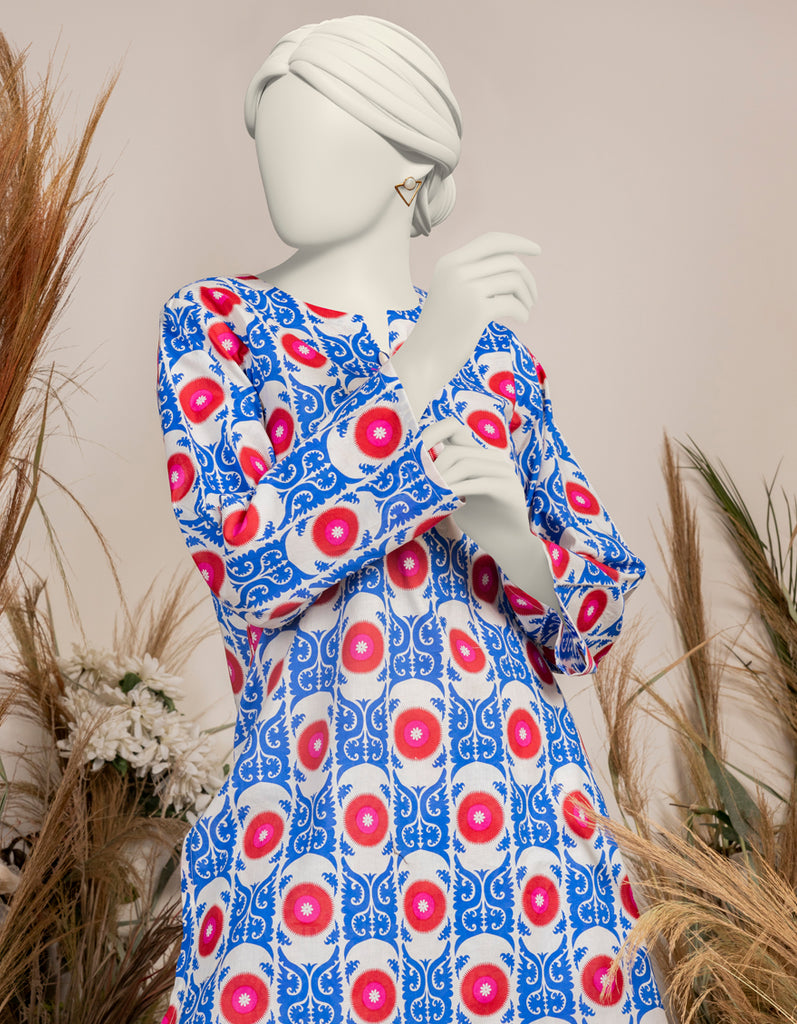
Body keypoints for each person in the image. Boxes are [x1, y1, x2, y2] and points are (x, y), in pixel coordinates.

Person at [156, 15, 667, 1024]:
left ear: (409, 164)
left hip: (519, 813)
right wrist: (423, 359)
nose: (281, 164)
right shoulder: (218, 324)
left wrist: (508, 533)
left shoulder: (499, 358)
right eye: (271, 138)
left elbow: (594, 615)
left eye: (315, 135)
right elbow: (248, 562)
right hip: (313, 805)